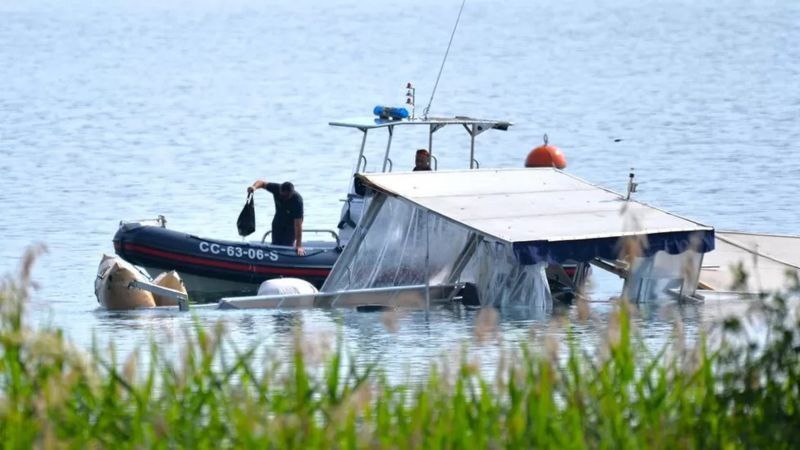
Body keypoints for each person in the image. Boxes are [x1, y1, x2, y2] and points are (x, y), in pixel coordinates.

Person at [247, 180, 305, 255]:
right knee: (275, 244)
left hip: (291, 225)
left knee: (286, 245)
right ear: (280, 190)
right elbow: (262, 183)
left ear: (291, 193)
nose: (283, 198)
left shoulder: (297, 201)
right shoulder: (276, 188)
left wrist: (299, 245)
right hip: (278, 220)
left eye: (286, 196)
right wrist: (254, 187)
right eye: (282, 195)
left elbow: (298, 225)